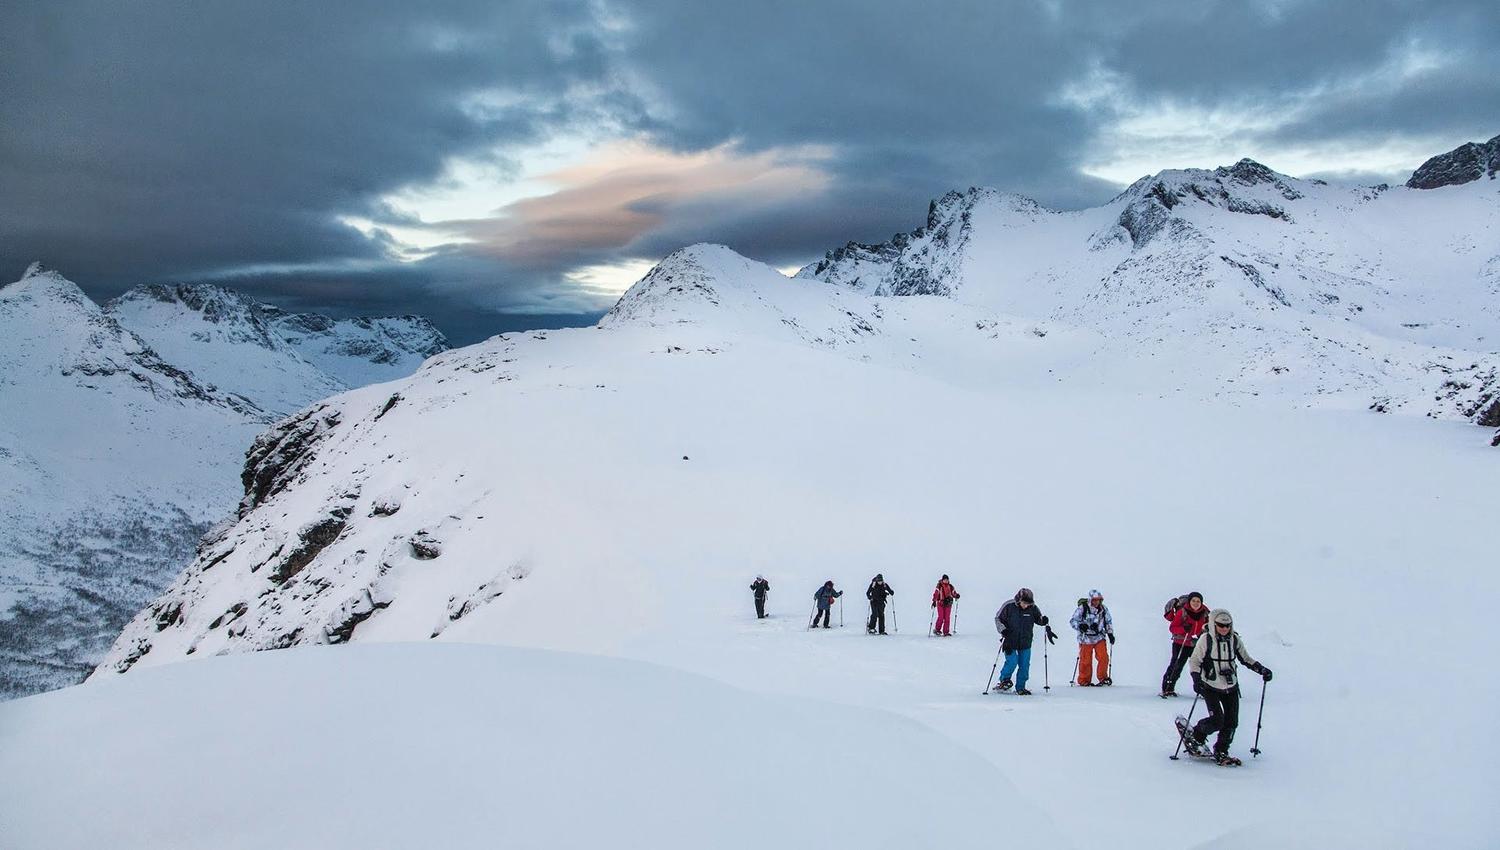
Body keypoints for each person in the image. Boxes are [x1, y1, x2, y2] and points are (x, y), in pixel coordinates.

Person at [1180, 609, 1272, 766]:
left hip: (1231, 686)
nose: (1224, 628)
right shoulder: (1206, 639)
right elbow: (1195, 661)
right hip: (1210, 686)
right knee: (1217, 721)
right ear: (1213, 624)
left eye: (1227, 625)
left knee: (1231, 722)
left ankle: (1222, 750)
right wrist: (1196, 679)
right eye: (1221, 625)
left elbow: (1245, 658)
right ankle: (1197, 735)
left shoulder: (1234, 640)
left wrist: (1261, 669)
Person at [992, 588, 1056, 695]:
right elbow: (998, 619)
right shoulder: (1009, 606)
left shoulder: (1033, 608)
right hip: (1010, 640)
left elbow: (1039, 619)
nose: (1026, 605)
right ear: (1019, 599)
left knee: (1024, 665)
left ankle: (1021, 687)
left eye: (1028, 603)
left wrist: (1043, 621)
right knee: (1012, 661)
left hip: (1026, 641)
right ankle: (1004, 680)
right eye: (1024, 603)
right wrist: (1003, 630)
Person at [1161, 591, 1209, 697]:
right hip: (1181, 643)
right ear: (1189, 601)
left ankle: (1204, 690)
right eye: (1193, 601)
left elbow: (1209, 625)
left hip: (1197, 643)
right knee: (1176, 666)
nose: (1196, 603)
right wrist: (1183, 629)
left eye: (1198, 601)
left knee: (1201, 666)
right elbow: (1172, 627)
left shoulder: (1205, 612)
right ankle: (1168, 688)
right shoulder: (1182, 612)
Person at [1070, 589, 1114, 686]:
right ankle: (1084, 680)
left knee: (1104, 658)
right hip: (1085, 638)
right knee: (1085, 661)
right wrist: (1081, 626)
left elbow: (1108, 622)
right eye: (1094, 600)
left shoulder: (1103, 609)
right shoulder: (1082, 608)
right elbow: (1073, 621)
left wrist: (1110, 634)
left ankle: (1103, 678)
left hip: (1099, 637)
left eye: (1098, 600)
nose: (1096, 602)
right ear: (1090, 600)